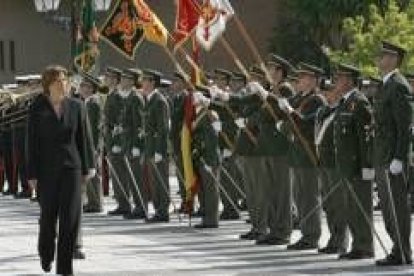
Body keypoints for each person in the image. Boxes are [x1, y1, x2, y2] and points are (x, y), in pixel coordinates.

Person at [27, 65, 90, 275]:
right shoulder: (37, 108)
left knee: (70, 219)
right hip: (46, 172)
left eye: (64, 80)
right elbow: (31, 143)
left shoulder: (77, 106)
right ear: (48, 85)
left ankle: (65, 268)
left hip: (72, 168)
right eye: (57, 81)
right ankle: (46, 252)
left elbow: (84, 139)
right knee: (48, 218)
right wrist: (32, 174)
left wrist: (87, 167)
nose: (62, 84)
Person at [374, 41, 412, 266]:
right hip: (382, 155)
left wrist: (399, 157)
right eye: (380, 56)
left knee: (397, 207)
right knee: (388, 208)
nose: (380, 59)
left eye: (385, 56)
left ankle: (403, 251)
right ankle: (397, 249)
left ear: (395, 59)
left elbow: (404, 126)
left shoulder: (398, 85)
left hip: (392, 157)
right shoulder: (386, 85)